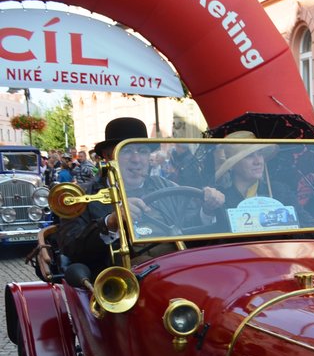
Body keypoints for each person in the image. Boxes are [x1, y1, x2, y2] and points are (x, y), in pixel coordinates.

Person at [60, 117, 223, 273]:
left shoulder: (166, 186)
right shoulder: (82, 196)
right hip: (119, 285)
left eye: (143, 151)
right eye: (126, 151)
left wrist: (207, 210)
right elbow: (71, 247)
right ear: (108, 157)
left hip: (177, 269)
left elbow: (190, 229)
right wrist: (111, 222)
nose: (136, 159)